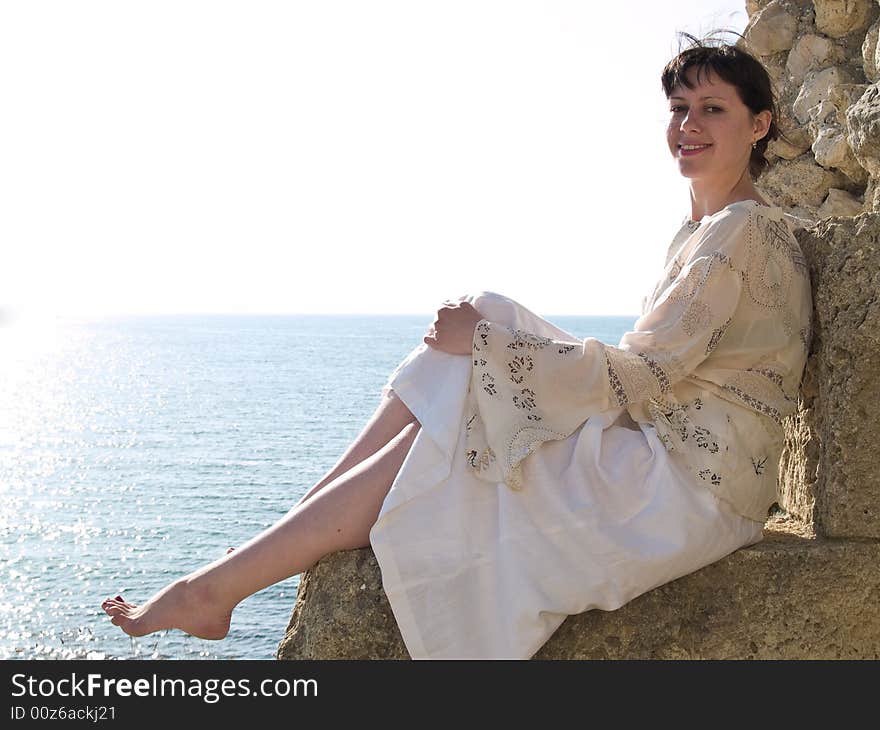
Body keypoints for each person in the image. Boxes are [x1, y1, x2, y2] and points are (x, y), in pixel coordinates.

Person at [101, 33, 813, 659]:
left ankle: (220, 585)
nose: (688, 125)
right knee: (487, 314)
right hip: (670, 443)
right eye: (678, 110)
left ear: (759, 124)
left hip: (692, 486)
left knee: (462, 401)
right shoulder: (702, 230)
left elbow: (646, 374)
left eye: (711, 109)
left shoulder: (740, 234)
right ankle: (287, 531)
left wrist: (489, 348)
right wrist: (488, 337)